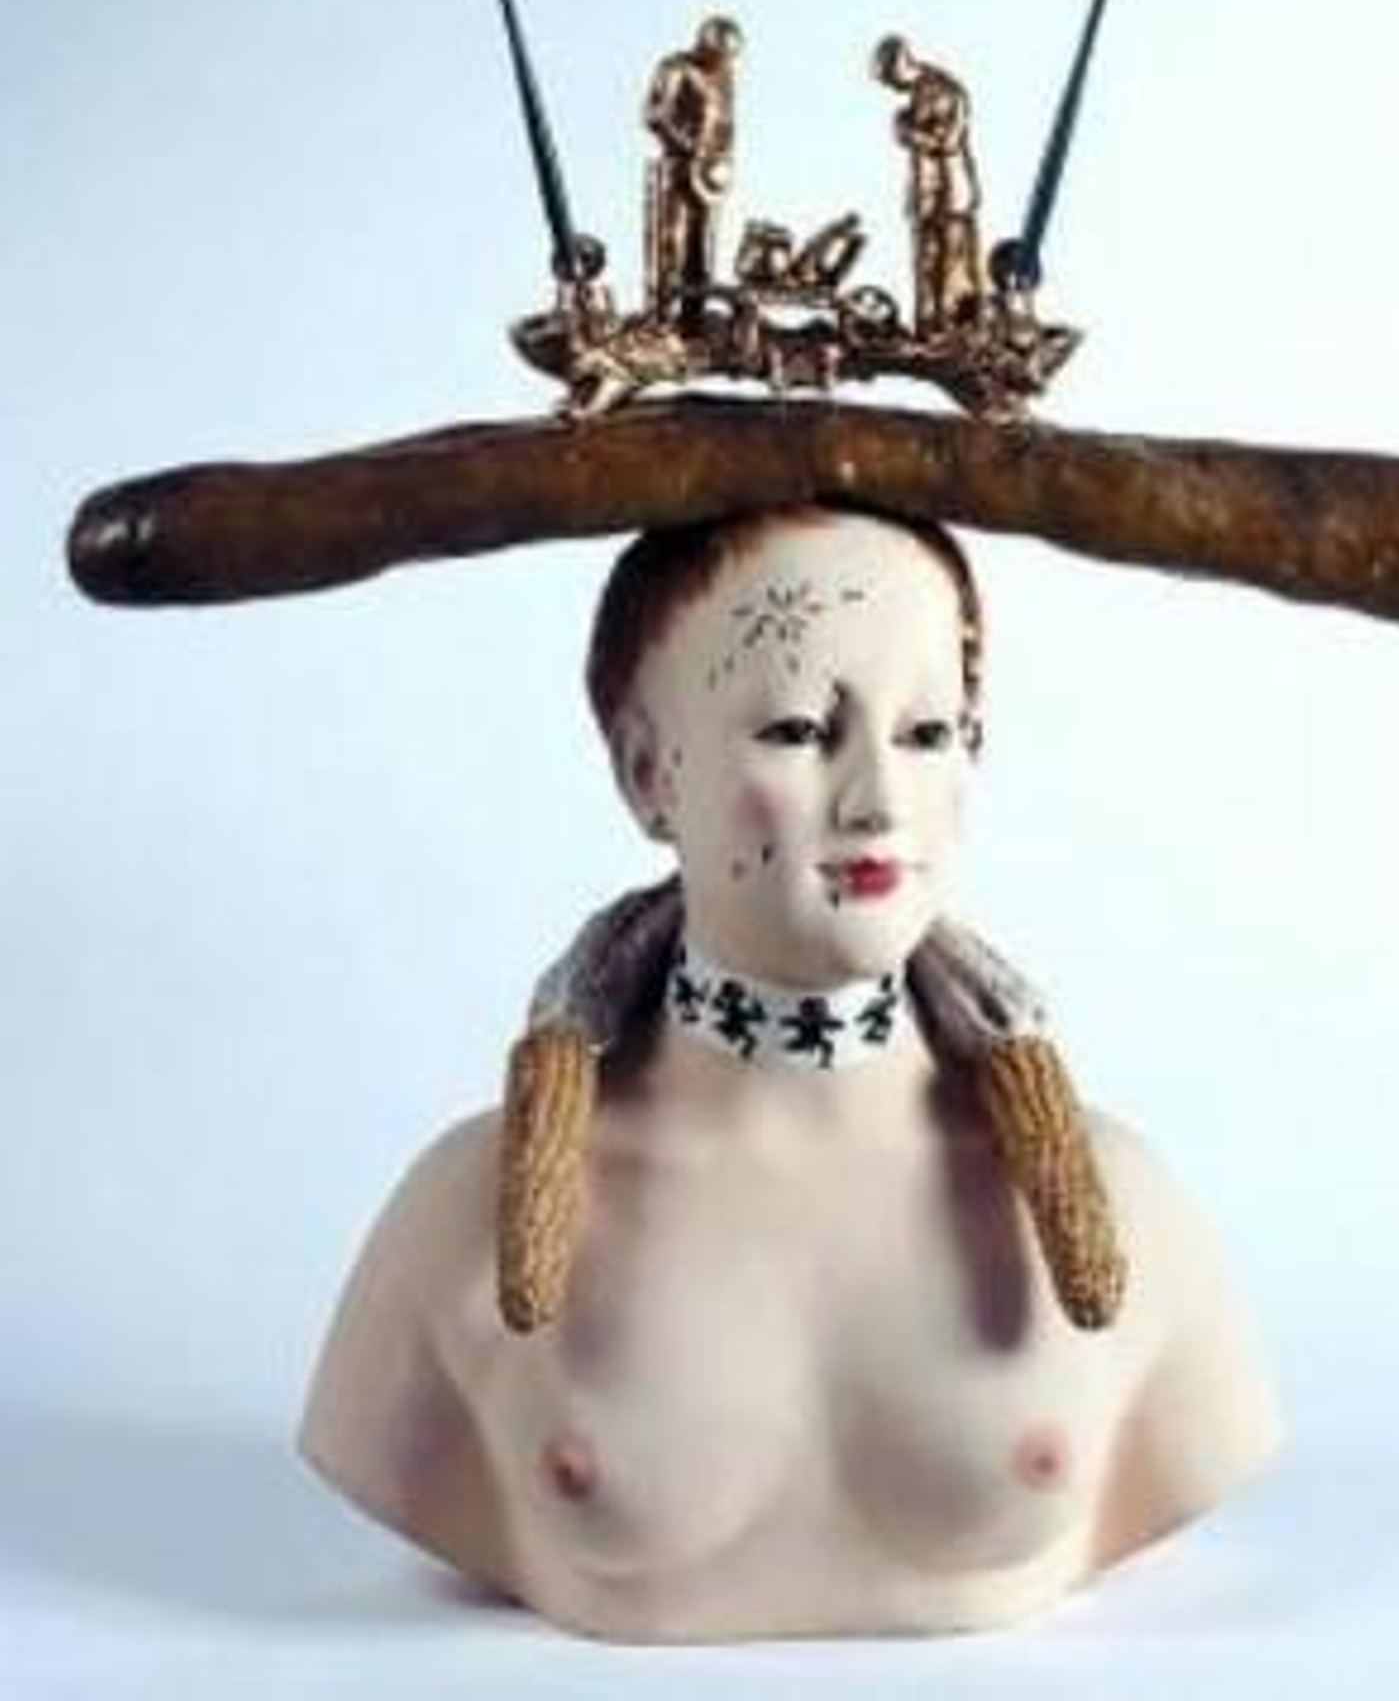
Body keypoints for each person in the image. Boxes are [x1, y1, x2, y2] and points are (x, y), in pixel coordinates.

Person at [299, 504, 1282, 1642]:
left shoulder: (1126, 1208)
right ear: (646, 772)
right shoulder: (462, 1217)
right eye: (801, 729)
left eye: (926, 732)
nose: (876, 802)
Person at [873, 36, 985, 334]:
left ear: (902, 64)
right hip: (926, 193)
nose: (892, 88)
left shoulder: (946, 90)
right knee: (926, 261)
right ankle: (929, 326)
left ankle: (953, 328)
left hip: (950, 192)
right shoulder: (919, 93)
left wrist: (907, 132)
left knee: (951, 262)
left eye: (890, 80)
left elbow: (948, 141)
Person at [644, 16, 742, 322]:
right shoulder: (676, 68)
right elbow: (655, 116)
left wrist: (721, 160)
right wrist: (688, 146)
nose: (721, 63)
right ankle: (661, 317)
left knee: (704, 244)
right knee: (669, 242)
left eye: (726, 57)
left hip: (712, 173)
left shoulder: (725, 74)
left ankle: (693, 318)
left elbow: (725, 120)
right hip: (676, 165)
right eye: (717, 55)